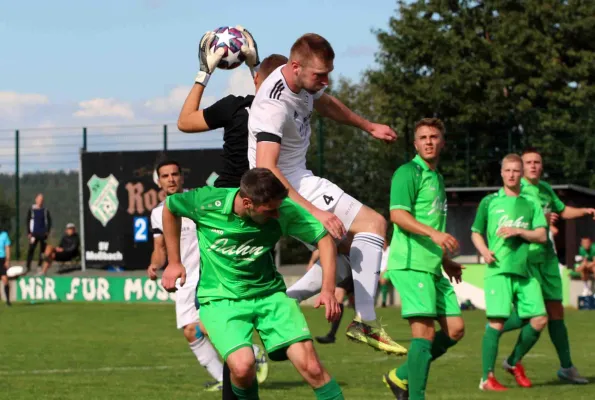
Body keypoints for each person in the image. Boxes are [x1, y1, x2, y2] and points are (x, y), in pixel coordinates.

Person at [248, 32, 405, 355]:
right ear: (295, 67)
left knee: (349, 258)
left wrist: (367, 126)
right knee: (375, 224)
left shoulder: (304, 84)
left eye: (328, 74)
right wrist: (317, 212)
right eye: (320, 75)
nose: (326, 82)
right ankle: (365, 321)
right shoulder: (272, 105)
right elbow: (266, 168)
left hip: (295, 182)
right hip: (287, 187)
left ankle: (278, 307)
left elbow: (326, 102)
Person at [161, 168, 344, 400]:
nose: (278, 215)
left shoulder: (282, 209)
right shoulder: (207, 202)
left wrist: (328, 289)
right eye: (270, 210)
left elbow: (324, 239)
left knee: (313, 368)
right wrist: (174, 262)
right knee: (242, 366)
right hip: (221, 300)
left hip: (271, 297)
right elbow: (170, 207)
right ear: (247, 202)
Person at [176, 27, 284, 398]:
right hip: (260, 203)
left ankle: (254, 338)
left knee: (227, 302)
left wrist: (202, 73)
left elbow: (184, 120)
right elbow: (270, 96)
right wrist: (257, 65)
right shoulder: (284, 109)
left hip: (230, 204)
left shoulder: (238, 106)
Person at [382, 118, 465, 400]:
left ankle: (400, 376)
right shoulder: (408, 172)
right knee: (424, 336)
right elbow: (398, 215)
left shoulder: (437, 178)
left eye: (434, 136)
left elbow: (430, 225)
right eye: (423, 137)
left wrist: (445, 260)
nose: (429, 141)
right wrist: (435, 235)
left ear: (442, 142)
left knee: (454, 330)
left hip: (432, 266)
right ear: (416, 144)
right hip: (410, 264)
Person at [500, 147, 594, 384]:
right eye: (528, 162)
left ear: (541, 166)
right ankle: (498, 331)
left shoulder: (545, 189)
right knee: (532, 314)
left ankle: (566, 367)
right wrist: (541, 219)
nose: (533, 165)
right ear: (521, 167)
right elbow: (510, 220)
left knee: (556, 313)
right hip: (527, 259)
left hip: (548, 259)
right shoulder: (515, 191)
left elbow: (561, 211)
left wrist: (585, 210)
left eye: (537, 162)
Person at [471, 154, 549, 391]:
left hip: (525, 270)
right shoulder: (489, 202)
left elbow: (542, 236)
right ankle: (487, 379)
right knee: (496, 322)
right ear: (502, 172)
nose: (512, 175)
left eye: (517, 171)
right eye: (508, 170)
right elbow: (475, 231)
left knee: (539, 319)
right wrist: (484, 250)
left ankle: (513, 362)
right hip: (498, 270)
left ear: (521, 173)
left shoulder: (531, 203)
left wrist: (518, 231)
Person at [25, 193, 52, 273]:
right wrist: (29, 232)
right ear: (36, 200)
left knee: (42, 251)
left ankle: (39, 265)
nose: (40, 201)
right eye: (39, 199)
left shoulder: (45, 210)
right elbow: (28, 220)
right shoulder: (31, 210)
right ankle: (28, 266)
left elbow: (49, 221)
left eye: (42, 200)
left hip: (43, 234)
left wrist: (47, 231)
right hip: (34, 234)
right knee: (31, 250)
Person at [378, 242, 392, 308]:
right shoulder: (379, 250)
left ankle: (384, 301)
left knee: (383, 280)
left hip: (388, 270)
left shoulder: (390, 249)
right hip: (379, 271)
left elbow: (390, 262)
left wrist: (383, 272)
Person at [0, 228, 11, 306]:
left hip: (2, 259)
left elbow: (7, 247)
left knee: (5, 279)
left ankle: (8, 300)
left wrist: (7, 260)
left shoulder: (4, 235)